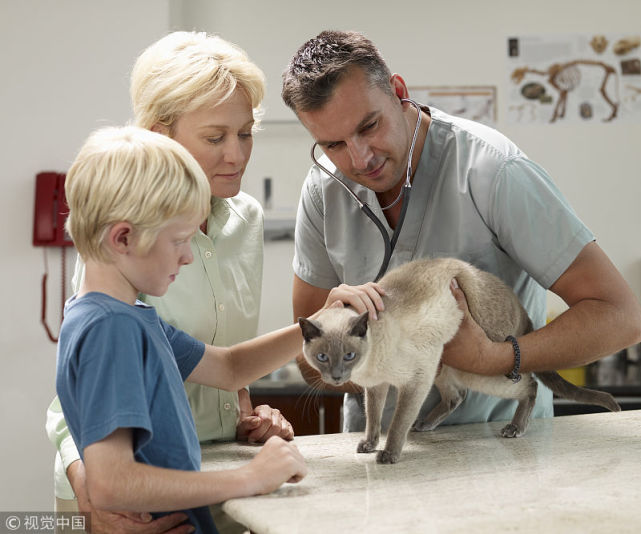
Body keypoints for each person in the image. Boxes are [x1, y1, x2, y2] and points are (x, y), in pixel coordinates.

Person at [281, 30, 641, 433]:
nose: (360, 159)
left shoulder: (493, 172)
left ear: (399, 93)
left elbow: (622, 316)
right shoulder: (323, 190)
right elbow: (306, 362)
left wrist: (496, 358)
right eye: (333, 144)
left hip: (499, 450)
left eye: (369, 126)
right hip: (377, 455)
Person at [56, 125, 384, 534]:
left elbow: (229, 368)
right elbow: (110, 483)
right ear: (123, 237)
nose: (189, 256)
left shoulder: (128, 317)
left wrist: (321, 322)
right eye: (179, 239)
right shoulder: (111, 330)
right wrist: (250, 478)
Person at [46, 31, 292, 533]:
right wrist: (95, 496)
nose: (238, 154)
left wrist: (322, 326)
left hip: (200, 481)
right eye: (215, 136)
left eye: (245, 133)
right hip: (135, 506)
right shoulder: (113, 305)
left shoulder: (141, 314)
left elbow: (227, 365)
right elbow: (83, 409)